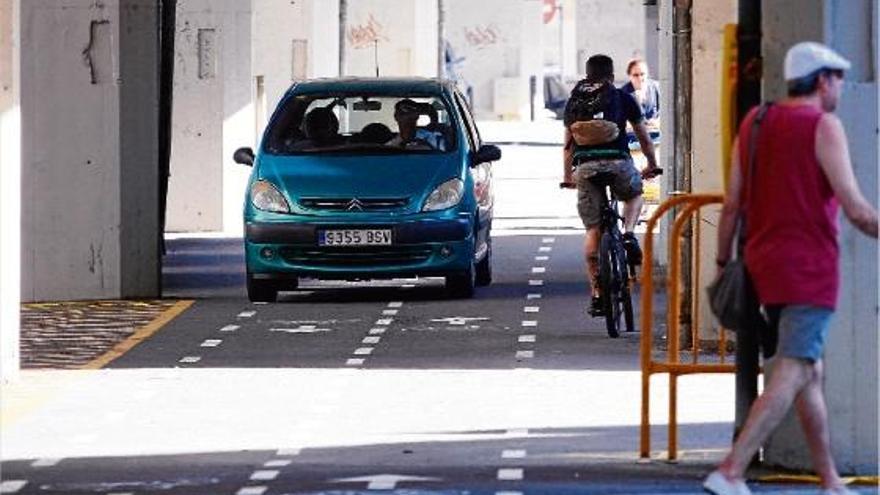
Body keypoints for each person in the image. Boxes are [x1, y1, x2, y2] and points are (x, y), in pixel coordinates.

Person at [703, 42, 878, 495]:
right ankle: (731, 470)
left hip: (763, 269)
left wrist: (723, 264)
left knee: (808, 372)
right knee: (794, 368)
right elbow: (856, 207)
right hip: (810, 273)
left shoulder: (756, 122)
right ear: (822, 81)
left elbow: (732, 207)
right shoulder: (824, 126)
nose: (840, 85)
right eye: (837, 77)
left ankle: (831, 481)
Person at [561, 54, 661, 315]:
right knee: (634, 193)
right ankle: (628, 233)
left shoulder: (574, 102)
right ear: (612, 74)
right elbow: (644, 137)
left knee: (593, 229)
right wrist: (651, 163)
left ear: (587, 73)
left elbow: (567, 146)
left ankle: (597, 293)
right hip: (619, 163)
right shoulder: (623, 98)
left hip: (586, 169)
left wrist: (568, 177)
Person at [620, 58, 660, 128]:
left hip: (656, 133)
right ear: (629, 76)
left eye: (642, 74)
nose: (640, 78)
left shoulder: (656, 88)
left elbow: (667, 112)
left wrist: (658, 121)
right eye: (635, 75)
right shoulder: (623, 94)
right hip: (633, 135)